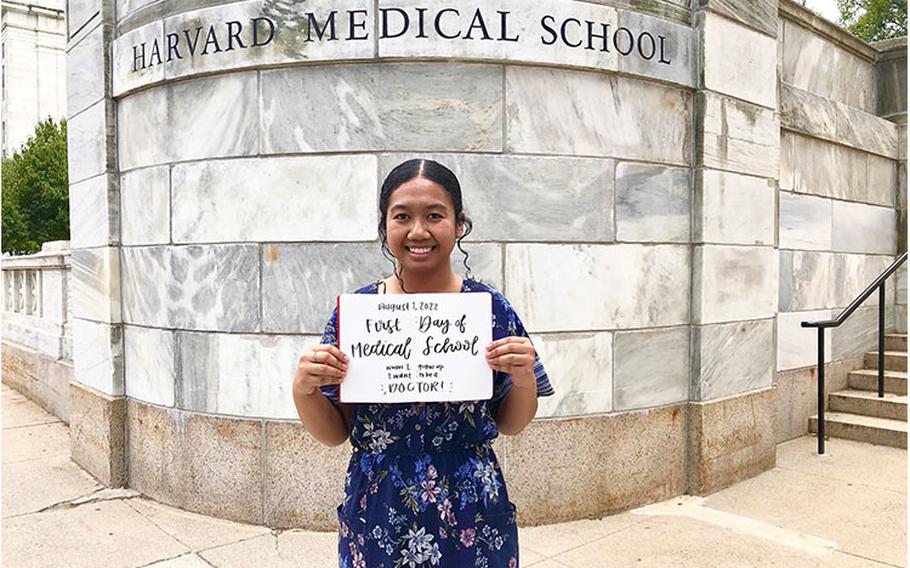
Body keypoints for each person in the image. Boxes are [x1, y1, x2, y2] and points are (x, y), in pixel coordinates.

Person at [291, 158, 554, 567]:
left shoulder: (490, 311)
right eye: (402, 216)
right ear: (384, 227)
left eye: (435, 215)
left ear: (459, 224)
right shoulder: (356, 315)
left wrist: (523, 380)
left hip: (471, 504)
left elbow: (511, 424)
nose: (418, 231)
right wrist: (304, 389)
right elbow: (335, 433)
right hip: (379, 505)